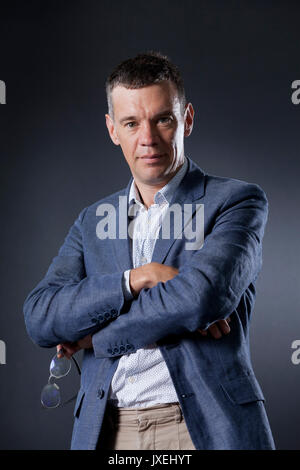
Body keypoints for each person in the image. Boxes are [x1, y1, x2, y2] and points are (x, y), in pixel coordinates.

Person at [24, 51, 275, 450]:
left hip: (200, 428)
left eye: (163, 119)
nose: (148, 138)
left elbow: (199, 298)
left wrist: (95, 340)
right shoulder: (92, 220)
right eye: (131, 123)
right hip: (107, 430)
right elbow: (40, 317)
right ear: (112, 129)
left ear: (186, 119)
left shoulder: (237, 202)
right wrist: (136, 279)